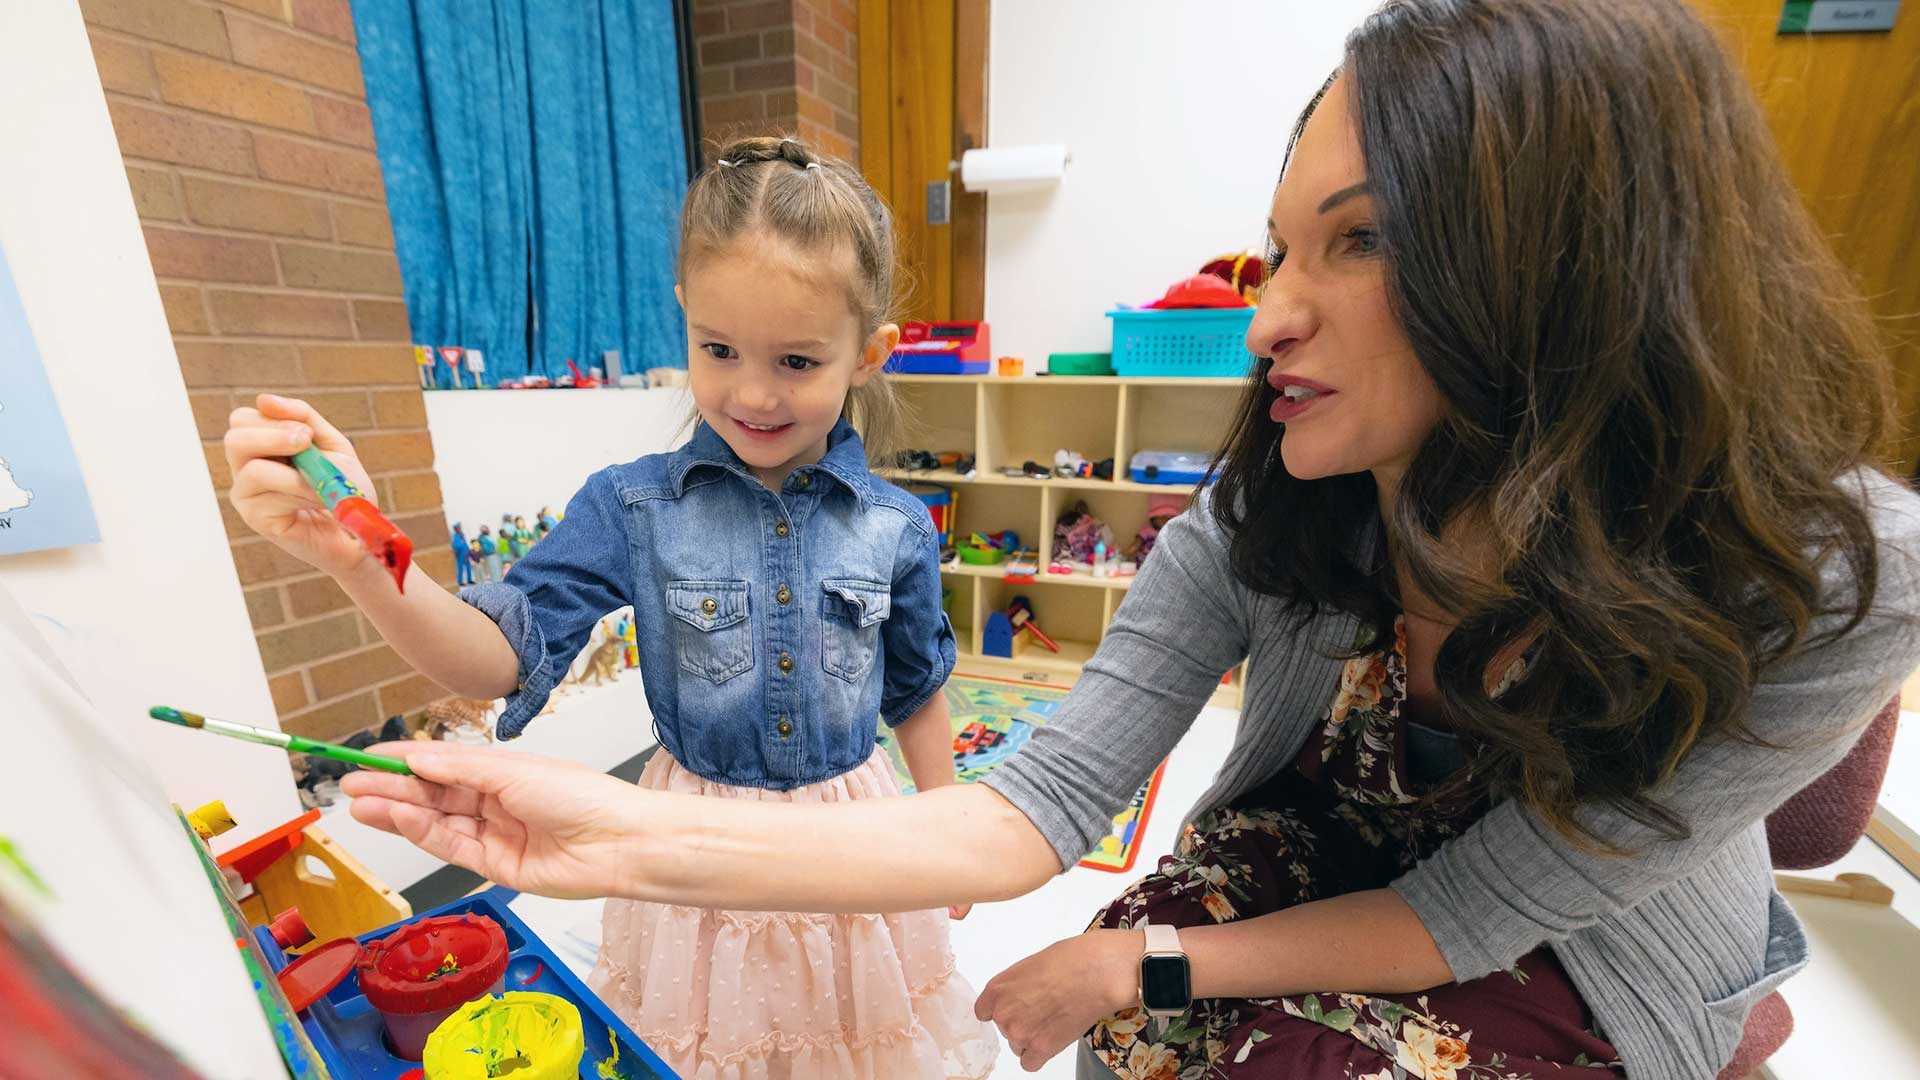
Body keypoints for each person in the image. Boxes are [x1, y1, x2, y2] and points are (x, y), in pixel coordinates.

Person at [338, 2, 1920, 1076]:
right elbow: (1044, 796)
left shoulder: (1844, 580)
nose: (1269, 316)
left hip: (1564, 934)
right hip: (828, 843)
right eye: (1277, 247)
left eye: (1357, 243)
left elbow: (1474, 911)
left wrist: (1113, 956)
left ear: (1563, 265)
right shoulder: (1268, 507)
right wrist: (589, 829)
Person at [225, 135, 998, 1078]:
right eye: (719, 349)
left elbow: (915, 689)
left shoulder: (897, 526)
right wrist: (360, 562)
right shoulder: (632, 507)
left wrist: (950, 829)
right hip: (684, 846)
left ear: (868, 355)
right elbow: (494, 657)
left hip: (854, 840)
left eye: (797, 360)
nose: (751, 392)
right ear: (684, 320)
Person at [450, 522, 473, 587]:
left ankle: (469, 579)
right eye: (459, 528)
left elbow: (465, 543)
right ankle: (460, 581)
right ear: (456, 529)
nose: (460, 529)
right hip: (460, 554)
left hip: (466, 553)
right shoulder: (454, 536)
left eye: (460, 528)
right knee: (460, 568)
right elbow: (455, 546)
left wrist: (469, 550)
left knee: (468, 567)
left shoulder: (462, 535)